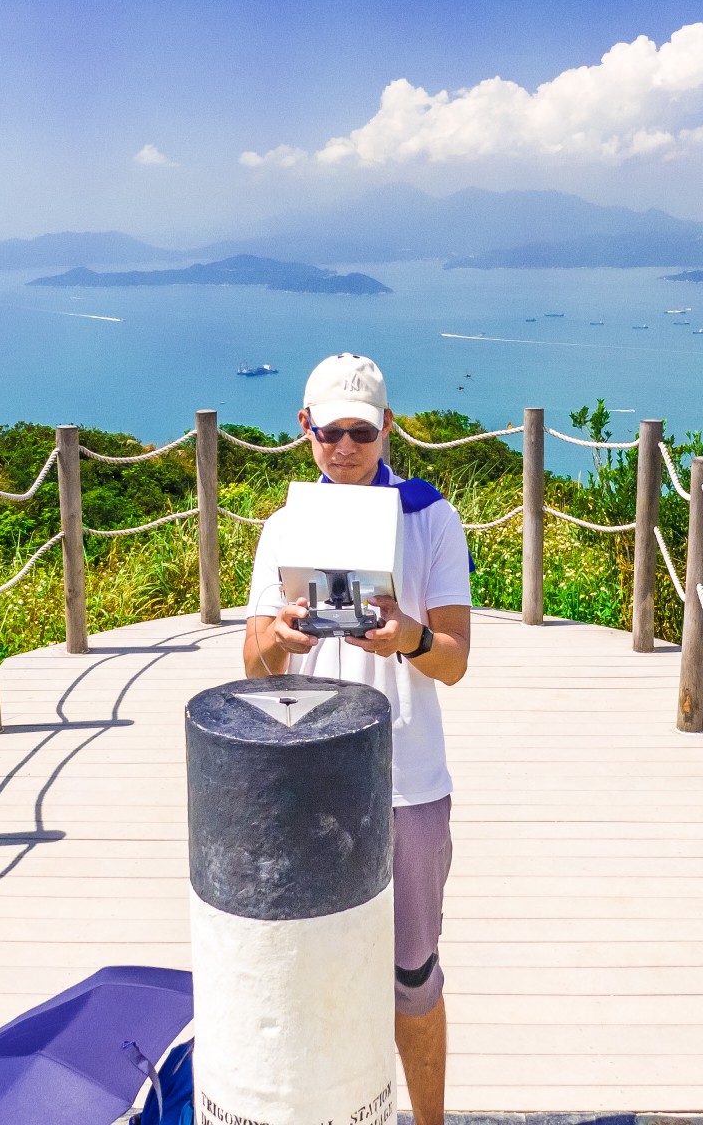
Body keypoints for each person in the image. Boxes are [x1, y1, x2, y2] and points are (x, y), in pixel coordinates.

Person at [243, 353, 472, 1125]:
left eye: (360, 433)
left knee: (414, 976)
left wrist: (408, 637)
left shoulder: (430, 518)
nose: (344, 448)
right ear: (303, 429)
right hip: (306, 772)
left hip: (406, 778)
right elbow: (253, 662)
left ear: (387, 429)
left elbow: (456, 661)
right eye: (329, 432)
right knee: (311, 973)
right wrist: (280, 638)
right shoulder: (284, 526)